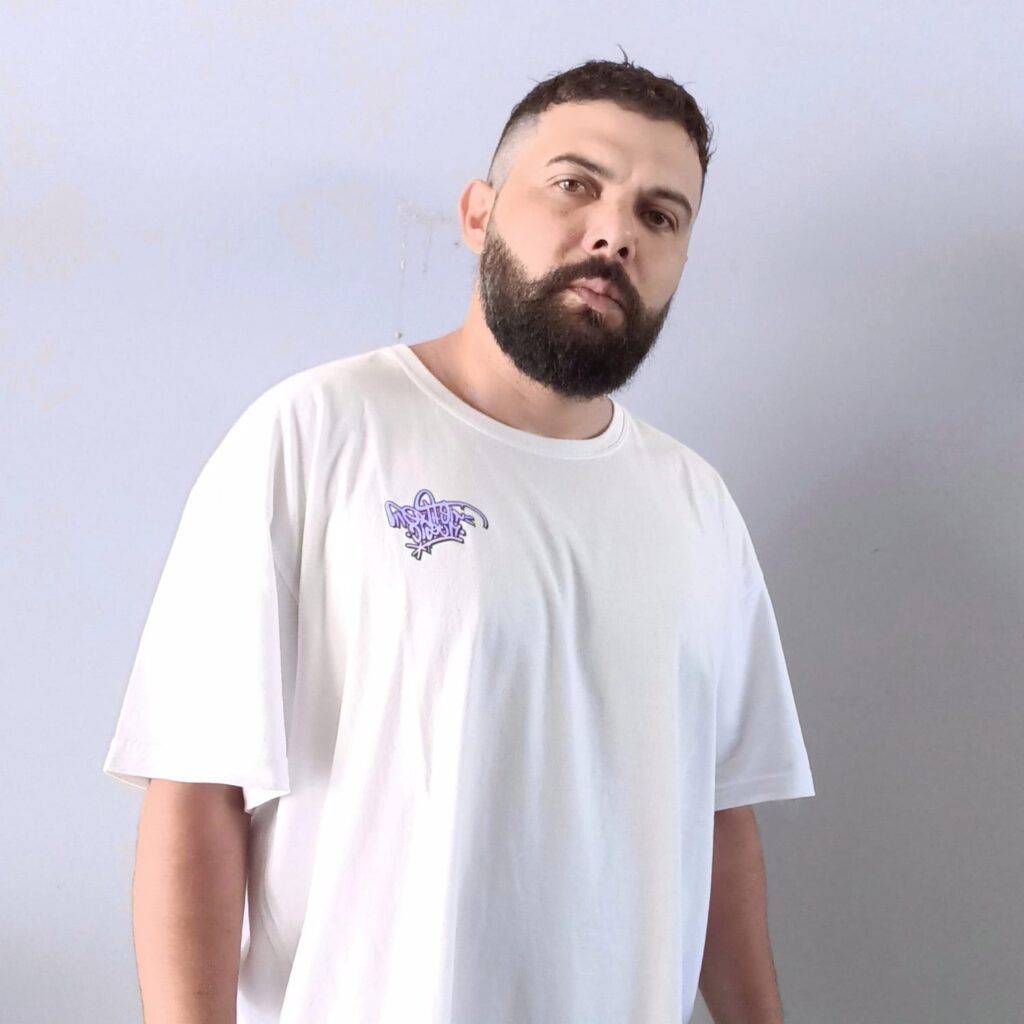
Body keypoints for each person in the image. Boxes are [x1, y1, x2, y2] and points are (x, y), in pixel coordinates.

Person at [103, 56, 815, 1024]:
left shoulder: (699, 507)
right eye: (575, 184)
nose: (613, 232)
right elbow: (197, 792)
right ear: (479, 213)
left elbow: (719, 818)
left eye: (660, 215)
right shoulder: (315, 435)